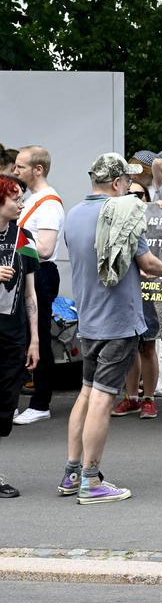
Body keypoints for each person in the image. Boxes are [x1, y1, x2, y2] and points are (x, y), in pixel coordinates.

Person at [61, 153, 162, 504]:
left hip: (88, 320)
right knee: (102, 397)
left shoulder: (73, 214)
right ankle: (91, 481)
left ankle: (71, 474)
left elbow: (98, 259)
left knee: (86, 394)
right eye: (126, 181)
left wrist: (135, 270)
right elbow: (146, 261)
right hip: (117, 321)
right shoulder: (124, 210)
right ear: (117, 183)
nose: (130, 185)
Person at [10, 145, 63, 426]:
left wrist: (13, 246)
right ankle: (14, 401)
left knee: (37, 335)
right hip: (28, 272)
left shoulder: (49, 203)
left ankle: (41, 402)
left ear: (38, 169)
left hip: (41, 273)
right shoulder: (31, 199)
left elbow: (45, 248)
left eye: (20, 166)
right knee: (21, 336)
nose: (15, 171)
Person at [0, 175, 40, 497]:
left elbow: (30, 293)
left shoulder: (24, 238)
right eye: (15, 198)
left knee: (5, 406)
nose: (21, 204)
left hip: (12, 334)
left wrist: (35, 339)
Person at [111, 181, 161, 420]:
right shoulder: (118, 217)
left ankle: (149, 399)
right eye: (129, 193)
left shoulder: (157, 215)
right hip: (127, 290)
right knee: (130, 346)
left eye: (139, 194)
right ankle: (131, 397)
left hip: (150, 289)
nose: (133, 197)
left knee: (148, 345)